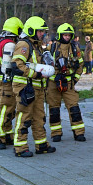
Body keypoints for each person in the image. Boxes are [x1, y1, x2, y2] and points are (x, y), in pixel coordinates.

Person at [11, 16, 57, 157]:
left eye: (43, 31)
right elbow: (17, 66)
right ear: (31, 30)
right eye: (40, 31)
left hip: (37, 87)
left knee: (39, 117)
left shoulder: (36, 45)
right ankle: (20, 147)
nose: (42, 34)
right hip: (26, 87)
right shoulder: (24, 45)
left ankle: (41, 144)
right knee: (24, 117)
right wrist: (36, 74)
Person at [49, 23, 87, 142]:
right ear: (60, 35)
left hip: (69, 82)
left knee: (74, 107)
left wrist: (75, 79)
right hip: (53, 83)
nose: (67, 37)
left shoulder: (75, 48)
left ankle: (79, 133)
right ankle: (56, 133)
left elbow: (80, 65)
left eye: (69, 35)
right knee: (54, 109)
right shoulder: (52, 48)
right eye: (65, 35)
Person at [0, 19, 22, 150]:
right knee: (5, 108)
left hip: (3, 79)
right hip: (6, 81)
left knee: (9, 108)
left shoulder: (1, 41)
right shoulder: (9, 44)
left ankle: (7, 135)